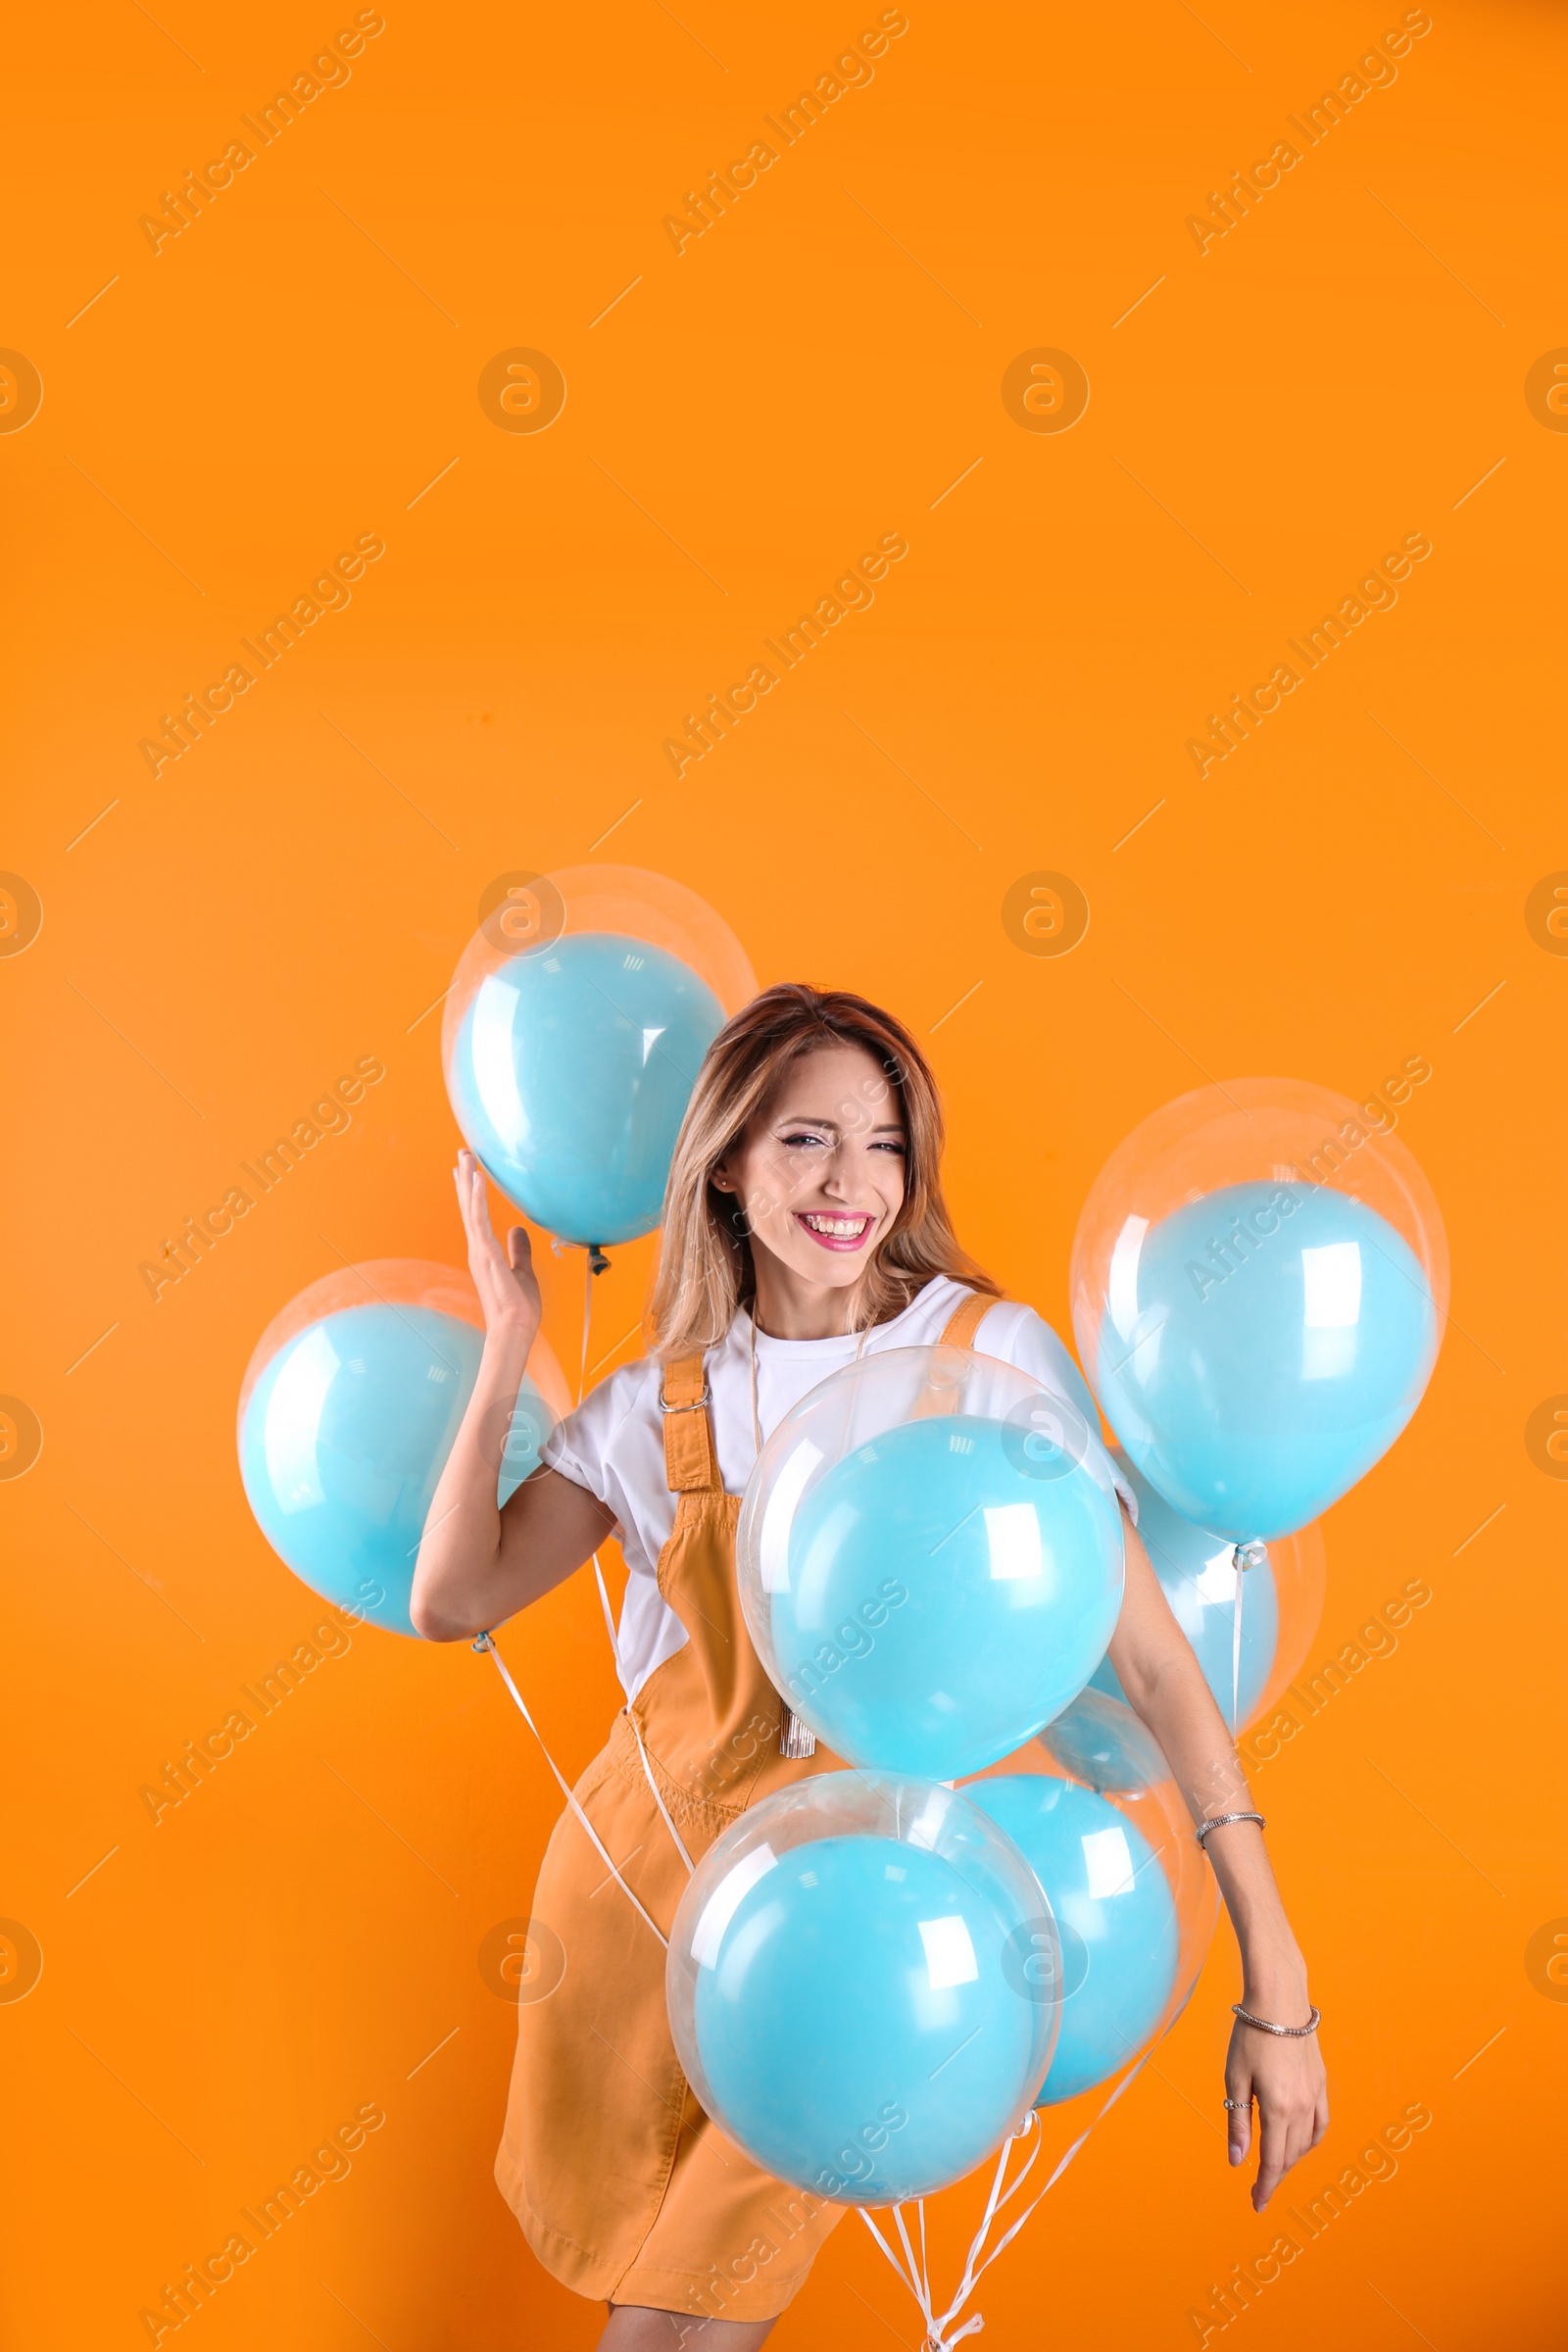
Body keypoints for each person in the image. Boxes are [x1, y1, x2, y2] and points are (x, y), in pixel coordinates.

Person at [412, 982, 1329, 2348]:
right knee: (636, 2309)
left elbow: (1150, 1664)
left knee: (667, 2336)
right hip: (638, 1903)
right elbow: (451, 1600)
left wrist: (1280, 1982)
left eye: (885, 1143)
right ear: (725, 1159)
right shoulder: (667, 1394)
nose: (853, 1183)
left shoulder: (985, 1360)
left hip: (851, 1930)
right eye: (805, 1141)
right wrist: (505, 1348)